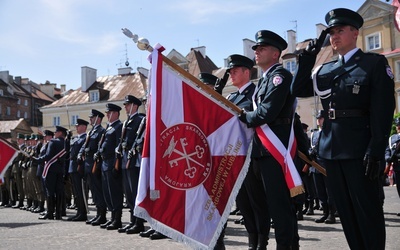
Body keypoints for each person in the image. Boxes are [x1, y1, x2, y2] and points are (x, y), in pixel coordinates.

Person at [291, 8, 395, 249]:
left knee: (367, 212)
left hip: (360, 151)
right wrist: (307, 59)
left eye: (340, 31)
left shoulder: (373, 64)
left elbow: (383, 110)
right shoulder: (325, 69)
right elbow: (298, 90)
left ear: (355, 33)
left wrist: (376, 149)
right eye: (331, 33)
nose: (334, 37)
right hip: (332, 151)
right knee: (346, 214)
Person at [239, 30, 300, 249]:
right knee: (262, 205)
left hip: (274, 151)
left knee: (280, 207)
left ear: (275, 54)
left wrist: (244, 116)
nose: (256, 52)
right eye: (256, 48)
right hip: (260, 151)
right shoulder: (264, 80)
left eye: (261, 48)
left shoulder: (280, 77)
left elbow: (267, 113)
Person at [116, 95, 146, 234]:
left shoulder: (140, 120)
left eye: (127, 105)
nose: (125, 107)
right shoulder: (127, 121)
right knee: (128, 193)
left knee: (134, 192)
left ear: (134, 105)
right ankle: (132, 220)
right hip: (124, 160)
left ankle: (138, 222)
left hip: (134, 160)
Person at [95, 103, 123, 230]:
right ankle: (111, 217)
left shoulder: (118, 126)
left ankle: (117, 219)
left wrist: (116, 164)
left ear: (116, 113)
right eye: (107, 113)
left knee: (115, 192)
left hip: (112, 161)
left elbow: (119, 146)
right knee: (107, 192)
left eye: (109, 112)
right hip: (104, 162)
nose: (107, 115)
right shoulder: (108, 127)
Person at [79, 109, 107, 226]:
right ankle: (98, 214)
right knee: (94, 191)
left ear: (98, 118)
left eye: (92, 117)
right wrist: (80, 153)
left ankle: (102, 215)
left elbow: (100, 147)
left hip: (95, 165)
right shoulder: (91, 132)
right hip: (88, 164)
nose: (90, 119)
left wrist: (90, 151)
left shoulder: (101, 131)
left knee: (98, 191)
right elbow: (84, 145)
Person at [33, 126, 68, 220]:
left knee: (50, 192)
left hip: (51, 169)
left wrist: (37, 160)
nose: (55, 133)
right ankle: (58, 213)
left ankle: (50, 213)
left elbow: (48, 156)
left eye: (56, 132)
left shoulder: (53, 142)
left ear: (60, 133)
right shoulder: (66, 143)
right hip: (61, 170)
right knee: (59, 191)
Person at [309, 110, 336, 224]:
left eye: (321, 118)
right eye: (318, 118)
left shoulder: (330, 132)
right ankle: (324, 213)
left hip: (326, 166)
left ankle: (331, 214)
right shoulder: (314, 134)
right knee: (320, 191)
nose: (319, 120)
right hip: (316, 166)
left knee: (329, 191)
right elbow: (310, 147)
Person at [67, 118, 89, 221]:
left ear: (84, 127)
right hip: (72, 167)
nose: (76, 127)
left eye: (78, 125)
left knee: (81, 192)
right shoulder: (75, 139)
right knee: (75, 192)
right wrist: (67, 139)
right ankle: (79, 212)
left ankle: (83, 213)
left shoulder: (85, 138)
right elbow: (67, 151)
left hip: (79, 167)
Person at [385, 117, 400, 216]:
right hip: (397, 167)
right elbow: (387, 150)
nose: (398, 127)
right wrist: (388, 158)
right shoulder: (392, 138)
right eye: (398, 125)